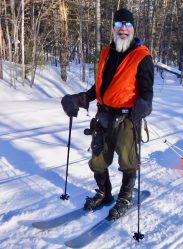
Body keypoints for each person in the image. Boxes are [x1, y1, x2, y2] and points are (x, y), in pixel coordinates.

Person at [61, 8, 154, 220]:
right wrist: (83, 97)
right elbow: (102, 84)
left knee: (127, 161)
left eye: (127, 25)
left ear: (133, 29)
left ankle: (125, 198)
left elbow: (147, 91)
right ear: (113, 28)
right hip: (103, 117)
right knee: (97, 161)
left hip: (127, 119)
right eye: (119, 25)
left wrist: (145, 104)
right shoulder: (106, 51)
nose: (123, 29)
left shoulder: (141, 56)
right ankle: (104, 193)